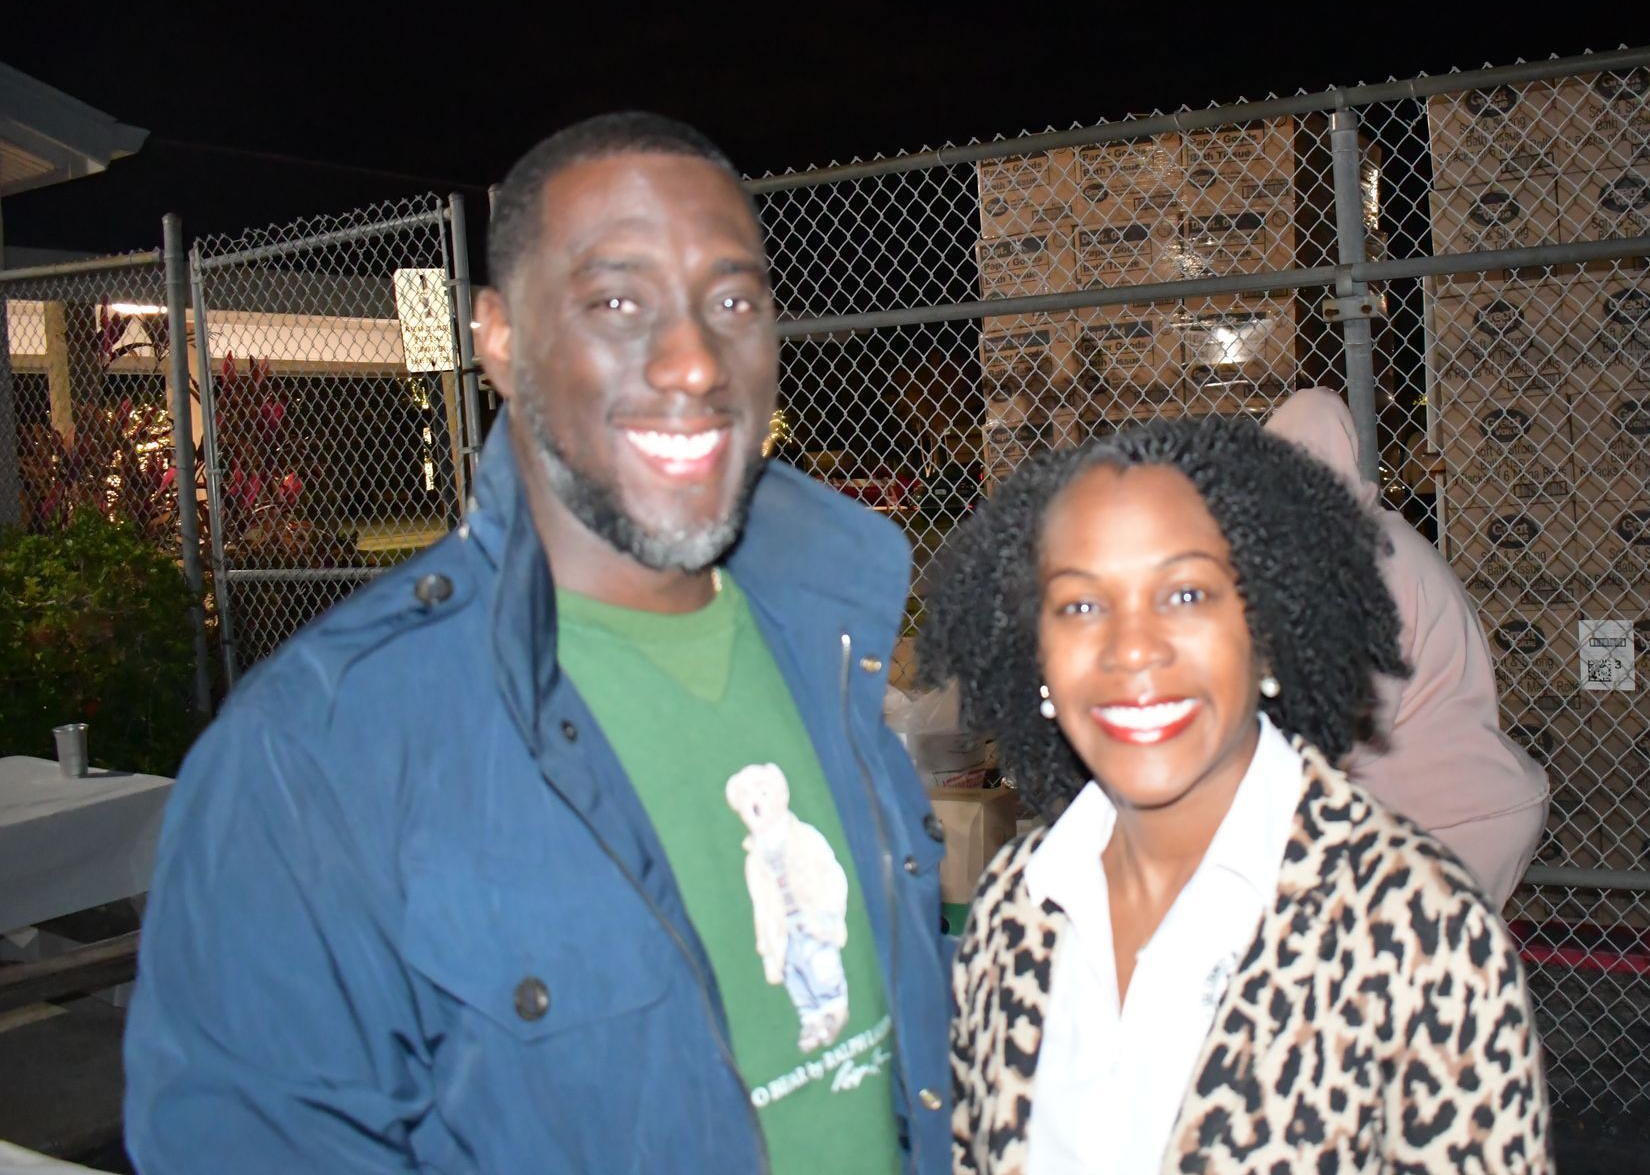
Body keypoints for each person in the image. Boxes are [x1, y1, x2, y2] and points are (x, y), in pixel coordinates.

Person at [123, 113, 952, 1174]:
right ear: (502, 339)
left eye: (734, 302)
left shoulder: (827, 639)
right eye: (617, 302)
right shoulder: (313, 757)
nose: (695, 361)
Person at [922, 416, 1551, 1175]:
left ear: (1269, 632)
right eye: (1082, 604)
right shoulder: (1015, 907)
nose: (1133, 648)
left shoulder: (1416, 930)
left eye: (1187, 593)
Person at [1265, 387, 1548, 906]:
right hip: (1456, 803)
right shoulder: (1368, 542)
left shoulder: (1362, 566)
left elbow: (1349, 722)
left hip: (1451, 818)